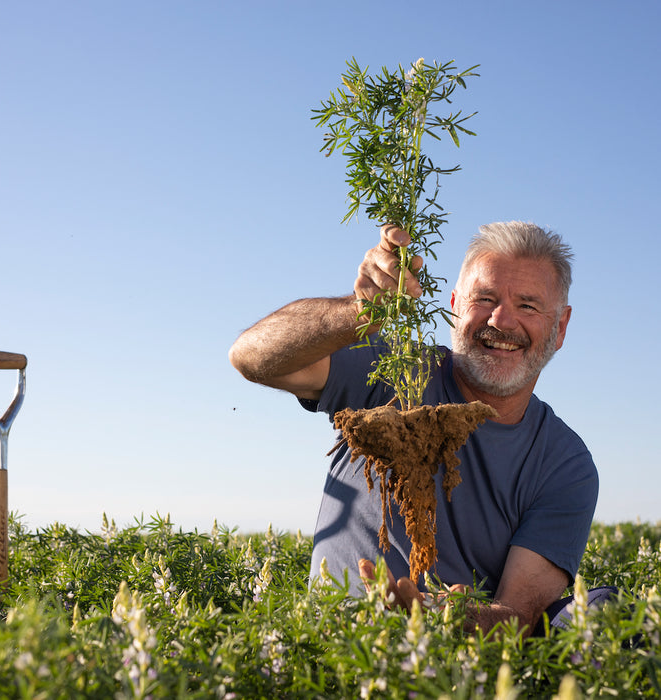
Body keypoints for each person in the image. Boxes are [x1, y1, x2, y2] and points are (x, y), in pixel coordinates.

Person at [229, 221, 603, 637]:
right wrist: (357, 312)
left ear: (561, 328)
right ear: (454, 306)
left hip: (449, 669)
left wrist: (448, 621)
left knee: (602, 612)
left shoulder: (564, 463)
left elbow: (517, 614)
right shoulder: (398, 369)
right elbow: (250, 357)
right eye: (485, 298)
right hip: (337, 648)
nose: (501, 319)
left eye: (529, 306)